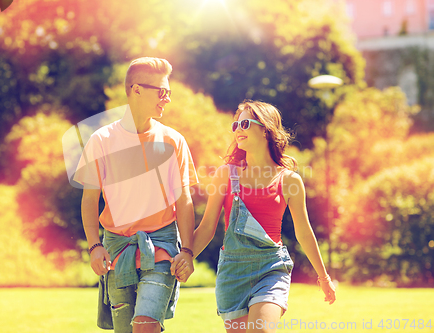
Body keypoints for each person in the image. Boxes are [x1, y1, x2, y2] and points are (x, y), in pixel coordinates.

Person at [171, 100, 336, 332]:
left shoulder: (289, 180)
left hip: (271, 268)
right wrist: (186, 255)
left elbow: (304, 231)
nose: (238, 129)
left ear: (266, 129)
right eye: (236, 125)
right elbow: (207, 227)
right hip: (233, 273)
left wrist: (323, 277)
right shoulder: (225, 176)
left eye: (245, 123)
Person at [74, 57, 198, 333]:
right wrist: (95, 246)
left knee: (145, 325)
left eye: (169, 93)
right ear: (136, 89)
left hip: (162, 247)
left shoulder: (173, 141)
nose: (167, 99)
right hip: (117, 249)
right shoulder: (102, 141)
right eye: (161, 92)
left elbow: (184, 202)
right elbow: (89, 201)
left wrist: (187, 251)